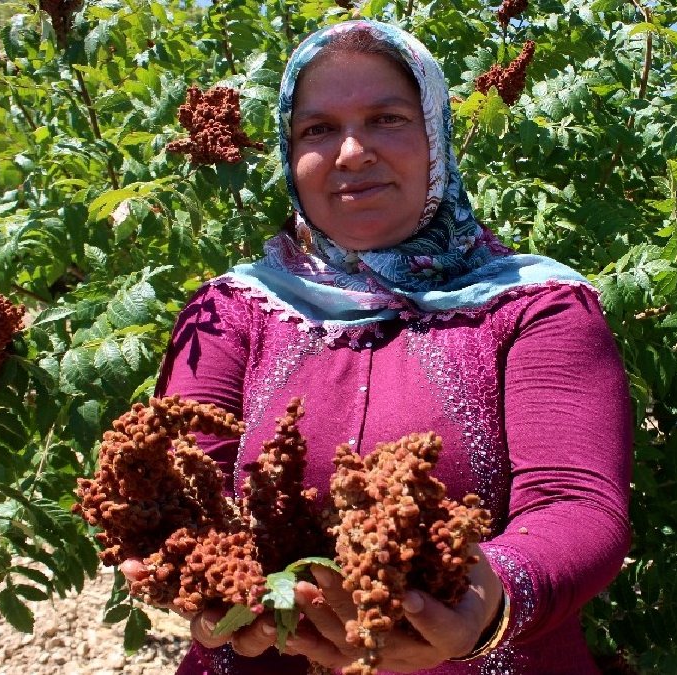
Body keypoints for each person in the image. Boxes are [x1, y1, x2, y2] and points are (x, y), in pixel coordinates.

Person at [124, 19, 633, 675]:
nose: (353, 151)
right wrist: (197, 578)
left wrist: (488, 597)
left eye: (387, 118)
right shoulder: (232, 310)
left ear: (435, 135)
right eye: (318, 129)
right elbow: (179, 490)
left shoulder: (534, 304)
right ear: (289, 151)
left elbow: (574, 504)